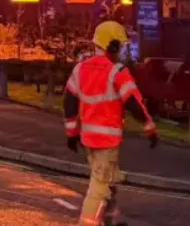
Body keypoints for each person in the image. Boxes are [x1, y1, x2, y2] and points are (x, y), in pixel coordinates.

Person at [64, 21, 157, 226]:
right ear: (112, 46)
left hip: (88, 140)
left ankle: (109, 220)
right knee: (100, 186)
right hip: (107, 141)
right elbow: (133, 103)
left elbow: (69, 101)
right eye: (119, 47)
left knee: (110, 179)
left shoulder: (81, 69)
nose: (121, 52)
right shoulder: (116, 72)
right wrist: (149, 127)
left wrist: (71, 133)